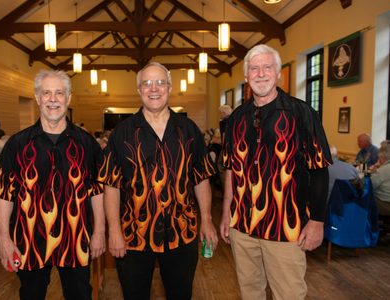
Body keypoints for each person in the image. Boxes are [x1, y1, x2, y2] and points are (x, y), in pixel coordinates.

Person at [220, 44, 332, 300]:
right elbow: (231, 169)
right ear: (246, 76)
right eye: (254, 68)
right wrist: (227, 213)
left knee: (289, 295)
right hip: (242, 227)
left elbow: (319, 171)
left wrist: (316, 222)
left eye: (267, 66)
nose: (261, 73)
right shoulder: (235, 119)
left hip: (286, 227)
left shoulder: (302, 113)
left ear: (278, 72)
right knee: (250, 293)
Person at [100, 62, 218, 300]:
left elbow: (201, 178)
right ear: (139, 89)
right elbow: (110, 185)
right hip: (133, 235)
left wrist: (206, 220)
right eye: (147, 83)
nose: (154, 88)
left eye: (160, 82)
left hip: (182, 232)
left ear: (170, 87)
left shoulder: (189, 130)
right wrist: (113, 231)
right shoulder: (121, 133)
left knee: (181, 295)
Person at [0, 69, 105, 300]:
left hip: (76, 239)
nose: (53, 98)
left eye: (59, 93)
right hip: (29, 241)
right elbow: (4, 195)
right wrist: (3, 239)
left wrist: (99, 232)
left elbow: (97, 191)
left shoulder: (87, 143)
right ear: (38, 98)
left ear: (68, 99)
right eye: (46, 92)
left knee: (80, 295)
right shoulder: (17, 144)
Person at [371, 144, 390, 216]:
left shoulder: (384, 169)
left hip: (386, 205)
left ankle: (371, 225)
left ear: (381, 158)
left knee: (364, 198)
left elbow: (371, 185)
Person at [217, 105, 232, 191]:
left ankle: (226, 190)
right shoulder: (235, 118)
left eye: (220, 113)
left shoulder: (223, 122)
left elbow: (224, 136)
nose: (219, 115)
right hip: (236, 148)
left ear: (223, 113)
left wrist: (223, 149)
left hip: (227, 148)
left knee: (221, 166)